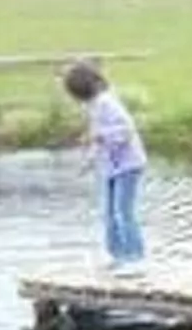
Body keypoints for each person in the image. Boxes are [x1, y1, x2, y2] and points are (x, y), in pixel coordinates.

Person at [62, 60, 147, 276]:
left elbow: (126, 131)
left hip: (128, 165)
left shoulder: (107, 102)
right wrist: (89, 160)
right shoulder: (93, 105)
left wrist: (99, 136)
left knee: (123, 212)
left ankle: (136, 258)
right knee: (108, 213)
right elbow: (99, 140)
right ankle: (117, 255)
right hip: (110, 166)